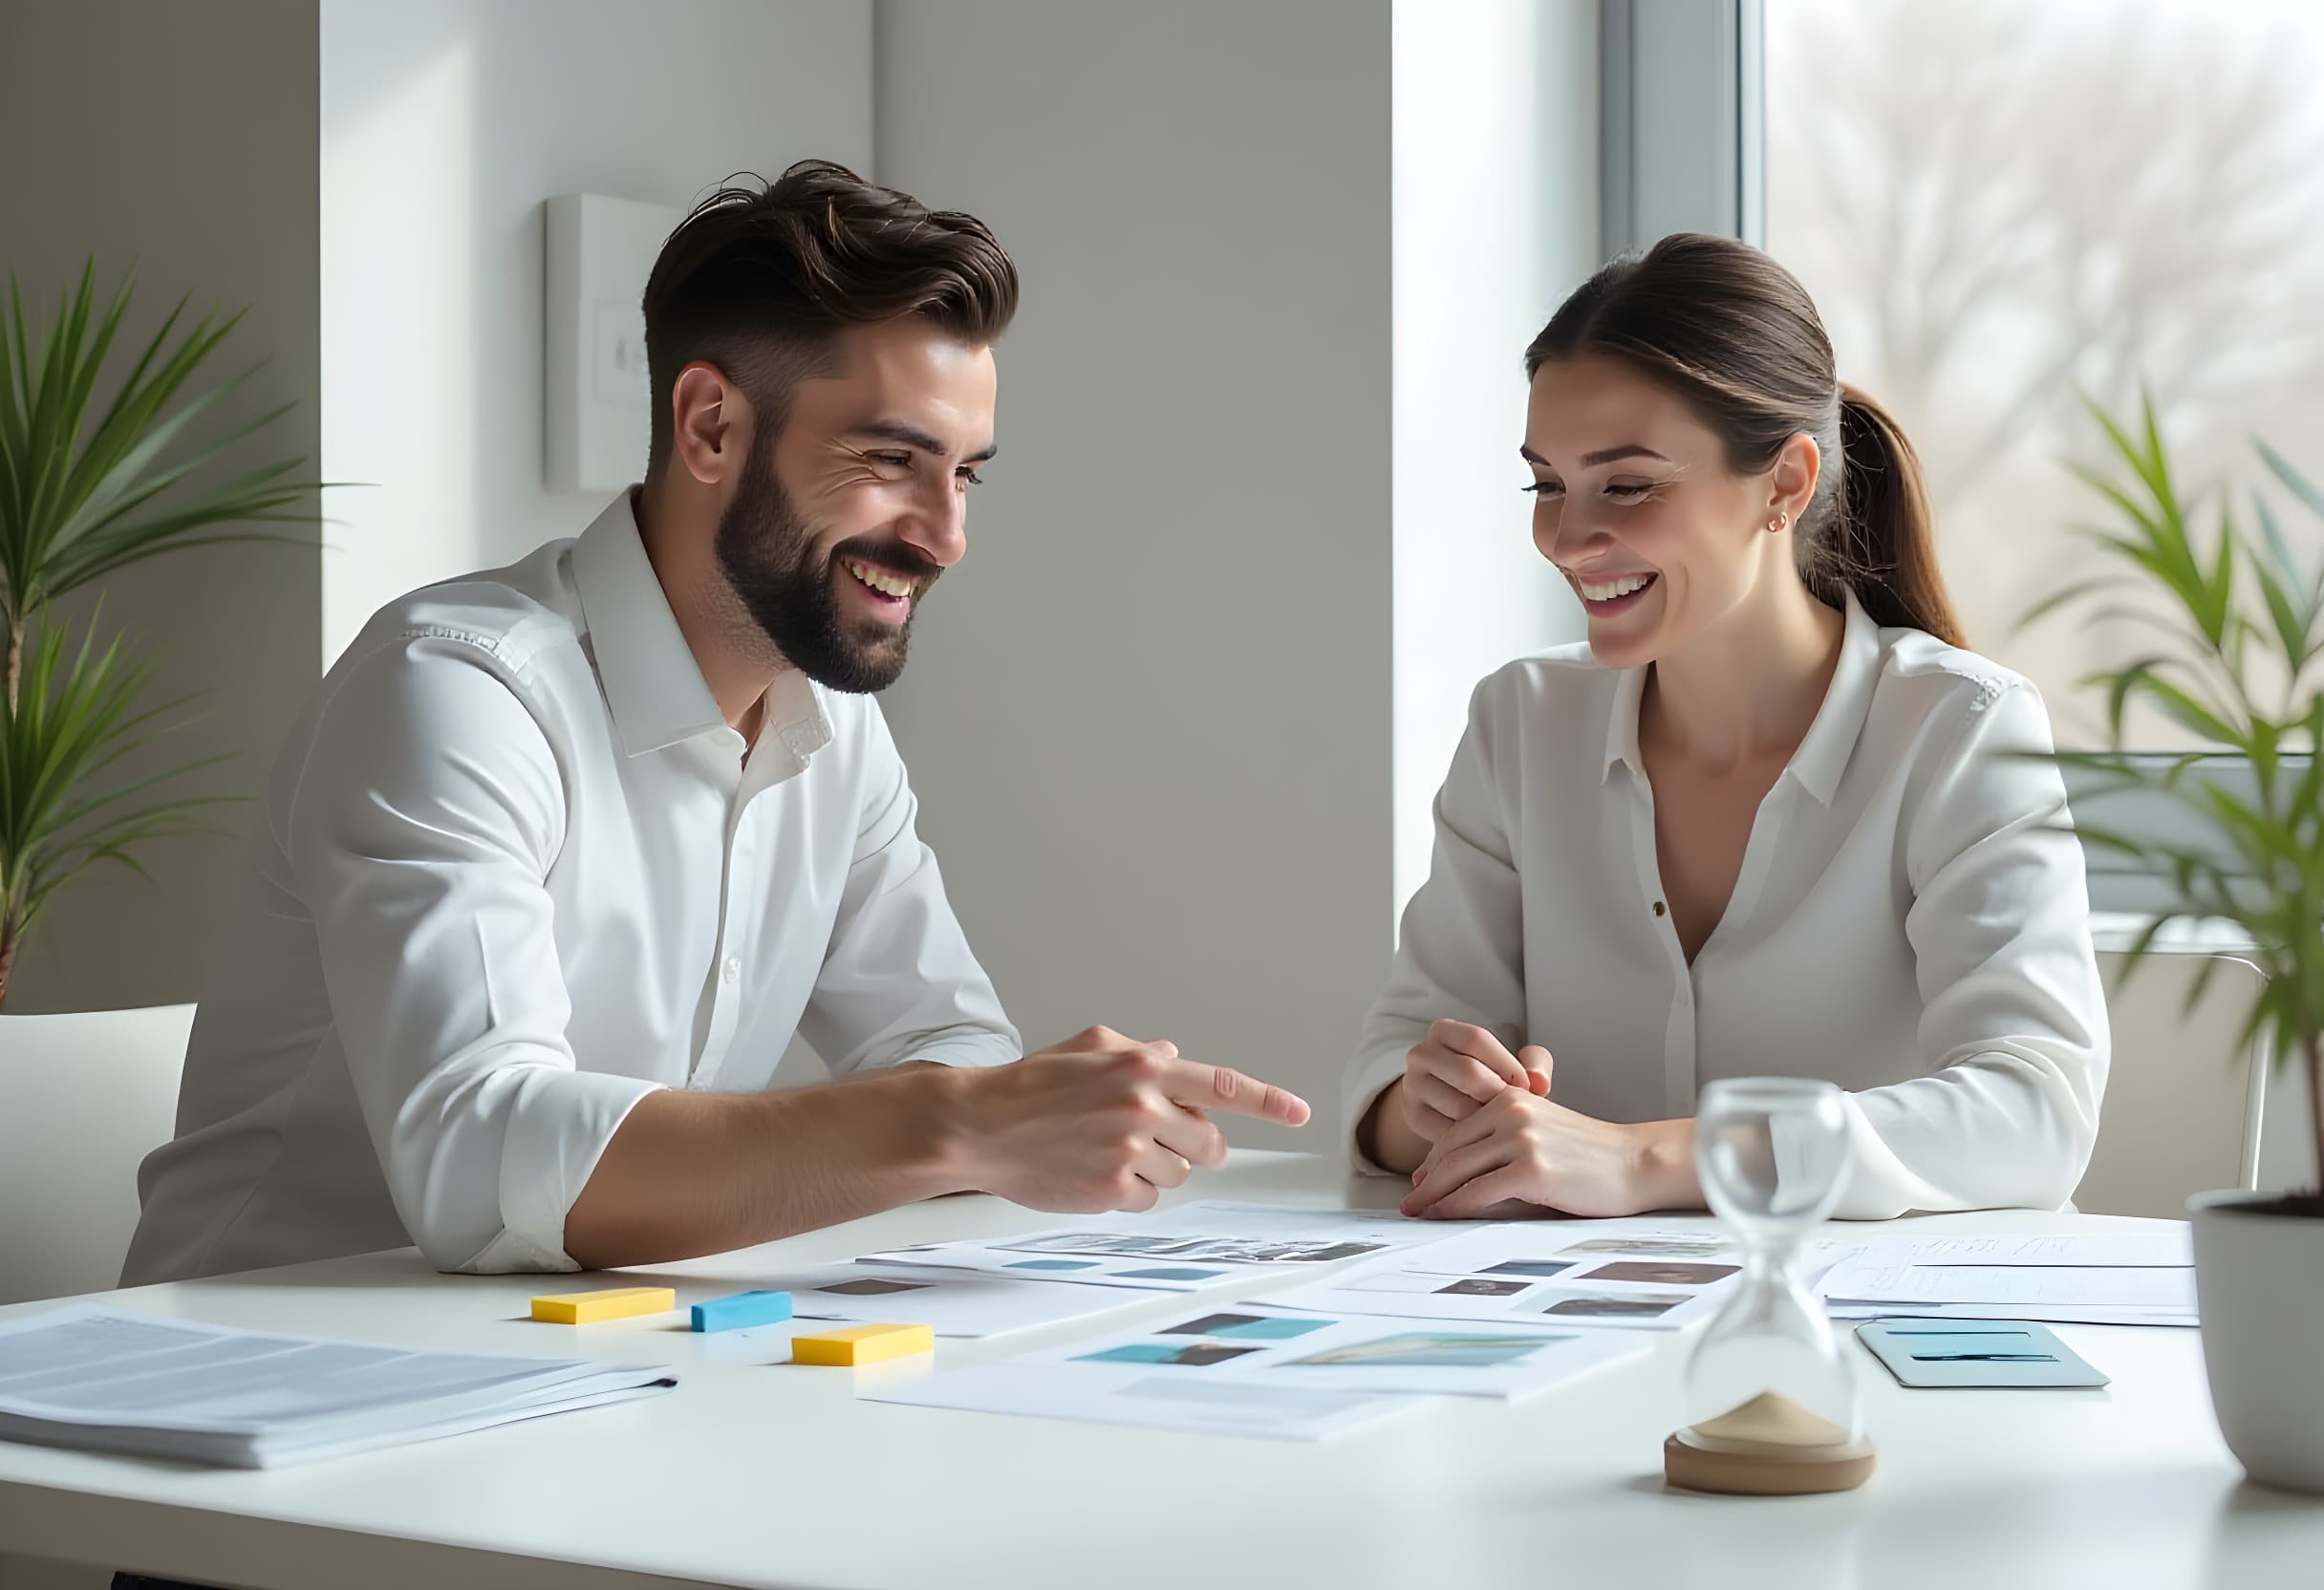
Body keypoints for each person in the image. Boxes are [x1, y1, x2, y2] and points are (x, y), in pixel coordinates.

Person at [123, 161, 1307, 1288]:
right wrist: (963, 1121)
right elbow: (480, 1160)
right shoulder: (456, 693)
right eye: (892, 458)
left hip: (578, 1360)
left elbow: (941, 1044)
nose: (944, 535)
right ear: (707, 427)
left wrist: (988, 1114)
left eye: (966, 474)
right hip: (247, 1391)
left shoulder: (831, 727)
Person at [1349, 233, 2106, 1223]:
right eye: (1545, 482)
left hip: (1846, 1336)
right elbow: (1391, 1072)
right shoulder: (1520, 721)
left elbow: (2034, 1114)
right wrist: (1426, 1101)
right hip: (1557, 1326)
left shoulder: (1960, 728)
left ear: (1783, 485)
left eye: (1625, 484)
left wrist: (1647, 1158)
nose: (1566, 537)